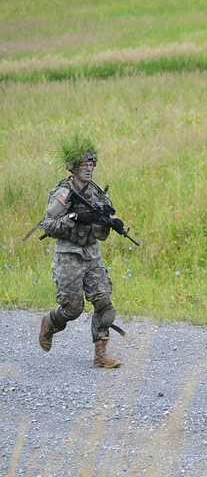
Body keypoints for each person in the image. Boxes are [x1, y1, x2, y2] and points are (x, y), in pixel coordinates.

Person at [37, 133, 125, 368]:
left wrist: (112, 222)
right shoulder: (63, 193)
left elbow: (105, 217)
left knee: (105, 304)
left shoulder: (97, 192)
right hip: (68, 257)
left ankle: (101, 356)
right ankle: (49, 323)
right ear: (73, 168)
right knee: (72, 309)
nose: (88, 170)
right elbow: (49, 225)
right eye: (83, 166)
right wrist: (74, 218)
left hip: (91, 255)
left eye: (91, 165)